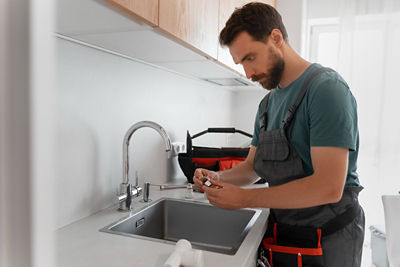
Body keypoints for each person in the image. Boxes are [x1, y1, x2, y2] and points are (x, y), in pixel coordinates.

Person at [193, 2, 365, 267]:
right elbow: (252, 167)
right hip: (287, 236)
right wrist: (218, 177)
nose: (248, 73)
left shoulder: (326, 90)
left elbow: (329, 187)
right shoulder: (267, 105)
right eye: (241, 63)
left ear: (276, 38)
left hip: (330, 239)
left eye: (250, 57)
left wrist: (245, 199)